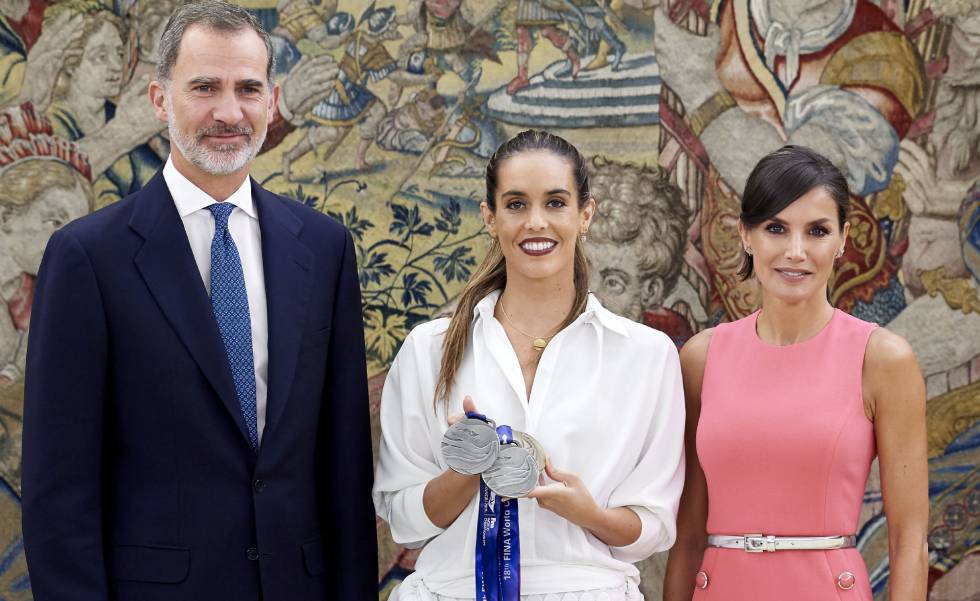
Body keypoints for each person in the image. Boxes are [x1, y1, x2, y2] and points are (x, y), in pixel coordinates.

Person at [21, 2, 377, 600]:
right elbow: (59, 487)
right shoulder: (88, 257)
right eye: (205, 87)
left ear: (271, 99)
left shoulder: (323, 248)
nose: (228, 111)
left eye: (247, 89)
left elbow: (343, 466)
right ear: (161, 99)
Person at [374, 129, 685, 600]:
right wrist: (466, 468)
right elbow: (405, 524)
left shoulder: (647, 355)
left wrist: (588, 513)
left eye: (556, 203)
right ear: (490, 217)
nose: (536, 222)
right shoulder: (428, 350)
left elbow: (654, 529)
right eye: (516, 204)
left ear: (585, 214)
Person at [663, 145, 929, 601]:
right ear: (746, 235)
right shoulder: (701, 359)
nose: (796, 251)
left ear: (843, 238)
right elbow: (686, 536)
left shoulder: (883, 359)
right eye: (776, 228)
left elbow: (910, 543)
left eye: (818, 231)